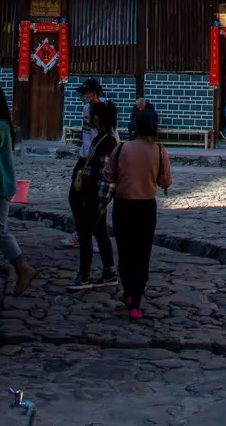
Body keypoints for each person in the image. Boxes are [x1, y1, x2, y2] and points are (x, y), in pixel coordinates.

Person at [106, 106, 173, 319]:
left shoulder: (121, 148)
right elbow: (165, 181)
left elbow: (109, 175)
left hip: (123, 205)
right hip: (146, 207)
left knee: (125, 252)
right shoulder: (160, 151)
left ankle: (127, 292)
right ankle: (136, 302)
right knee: (142, 254)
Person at [0, 83, 38, 295]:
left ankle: (22, 265)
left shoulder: (0, 126)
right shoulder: (0, 124)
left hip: (0, 185)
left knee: (0, 231)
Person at [70, 99, 120, 291]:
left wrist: (101, 202)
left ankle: (84, 275)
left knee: (85, 234)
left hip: (94, 197)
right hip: (92, 197)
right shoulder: (100, 138)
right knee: (100, 233)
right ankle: (109, 271)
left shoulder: (107, 142)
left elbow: (106, 175)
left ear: (97, 118)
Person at [64, 79, 107, 250]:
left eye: (87, 93)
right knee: (76, 195)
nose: (84, 97)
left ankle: (89, 236)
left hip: (97, 157)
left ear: (95, 93)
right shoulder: (87, 108)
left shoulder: (105, 108)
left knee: (93, 200)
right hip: (85, 156)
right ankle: (83, 233)